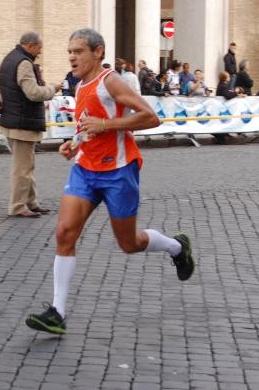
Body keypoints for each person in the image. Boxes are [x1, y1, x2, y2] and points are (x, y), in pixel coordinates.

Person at [25, 28, 194, 335]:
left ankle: (176, 247)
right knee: (64, 233)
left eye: (78, 51)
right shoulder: (79, 86)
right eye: (70, 52)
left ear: (98, 52)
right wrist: (75, 143)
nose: (72, 57)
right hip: (85, 169)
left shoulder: (110, 81)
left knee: (129, 244)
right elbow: (87, 127)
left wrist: (105, 123)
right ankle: (57, 312)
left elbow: (150, 117)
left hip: (118, 171)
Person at [0, 31, 61, 218]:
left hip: (13, 120)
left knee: (27, 165)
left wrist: (0, 101)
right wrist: (52, 89)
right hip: (22, 122)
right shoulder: (23, 63)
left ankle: (31, 202)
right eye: (39, 48)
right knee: (22, 168)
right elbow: (33, 93)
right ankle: (18, 206)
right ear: (30, 45)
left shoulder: (9, 58)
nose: (40, 52)